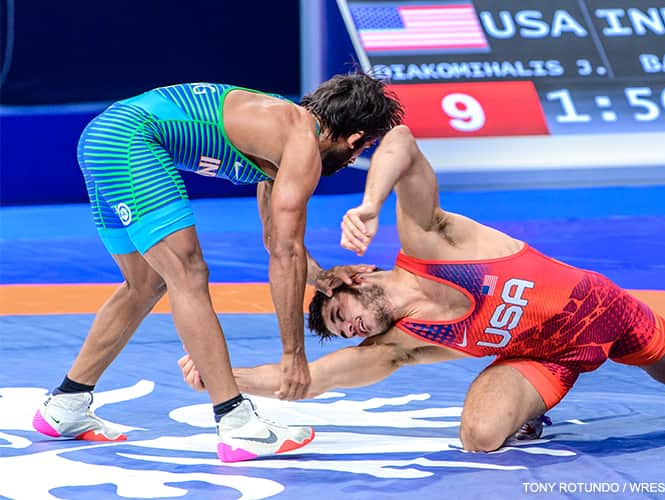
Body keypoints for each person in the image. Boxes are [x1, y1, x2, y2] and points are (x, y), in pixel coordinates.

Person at [178, 125, 665, 453]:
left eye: (341, 313)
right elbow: (308, 380)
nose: (351, 328)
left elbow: (401, 144)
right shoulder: (400, 343)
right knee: (480, 438)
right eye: (342, 331)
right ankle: (530, 407)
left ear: (355, 279)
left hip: (604, 311)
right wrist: (219, 376)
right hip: (542, 358)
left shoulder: (432, 242)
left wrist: (367, 204)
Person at [32, 74, 404, 462]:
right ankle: (236, 422)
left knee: (145, 283)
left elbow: (276, 239)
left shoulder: (284, 128)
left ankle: (67, 403)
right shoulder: (301, 144)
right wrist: (293, 357)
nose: (349, 162)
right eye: (359, 152)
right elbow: (285, 253)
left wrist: (319, 275)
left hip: (103, 138)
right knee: (188, 274)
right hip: (128, 140)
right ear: (357, 138)